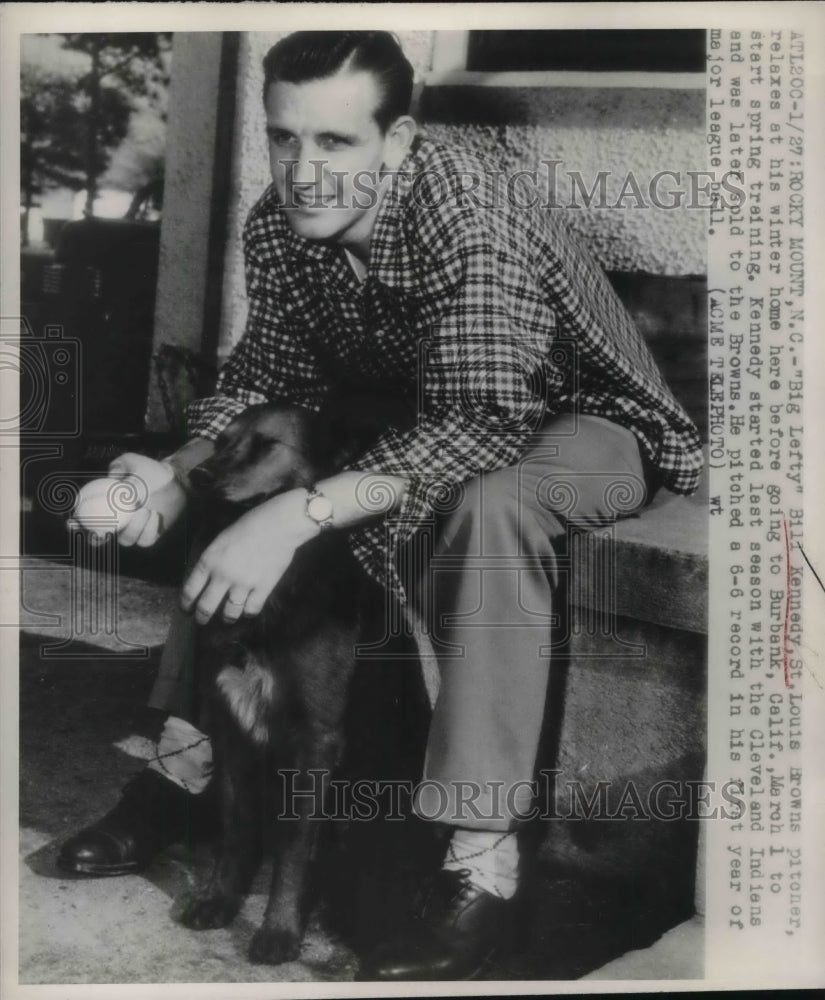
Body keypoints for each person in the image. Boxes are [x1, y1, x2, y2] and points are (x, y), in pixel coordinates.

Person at [59, 31, 703, 980]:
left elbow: (484, 425)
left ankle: (481, 861)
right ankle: (186, 761)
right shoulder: (280, 220)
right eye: (285, 139)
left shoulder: (466, 213)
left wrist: (301, 515)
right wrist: (173, 467)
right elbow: (266, 378)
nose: (302, 171)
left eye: (336, 144)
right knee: (247, 483)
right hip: (425, 408)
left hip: (583, 421)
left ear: (397, 140)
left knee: (489, 509)